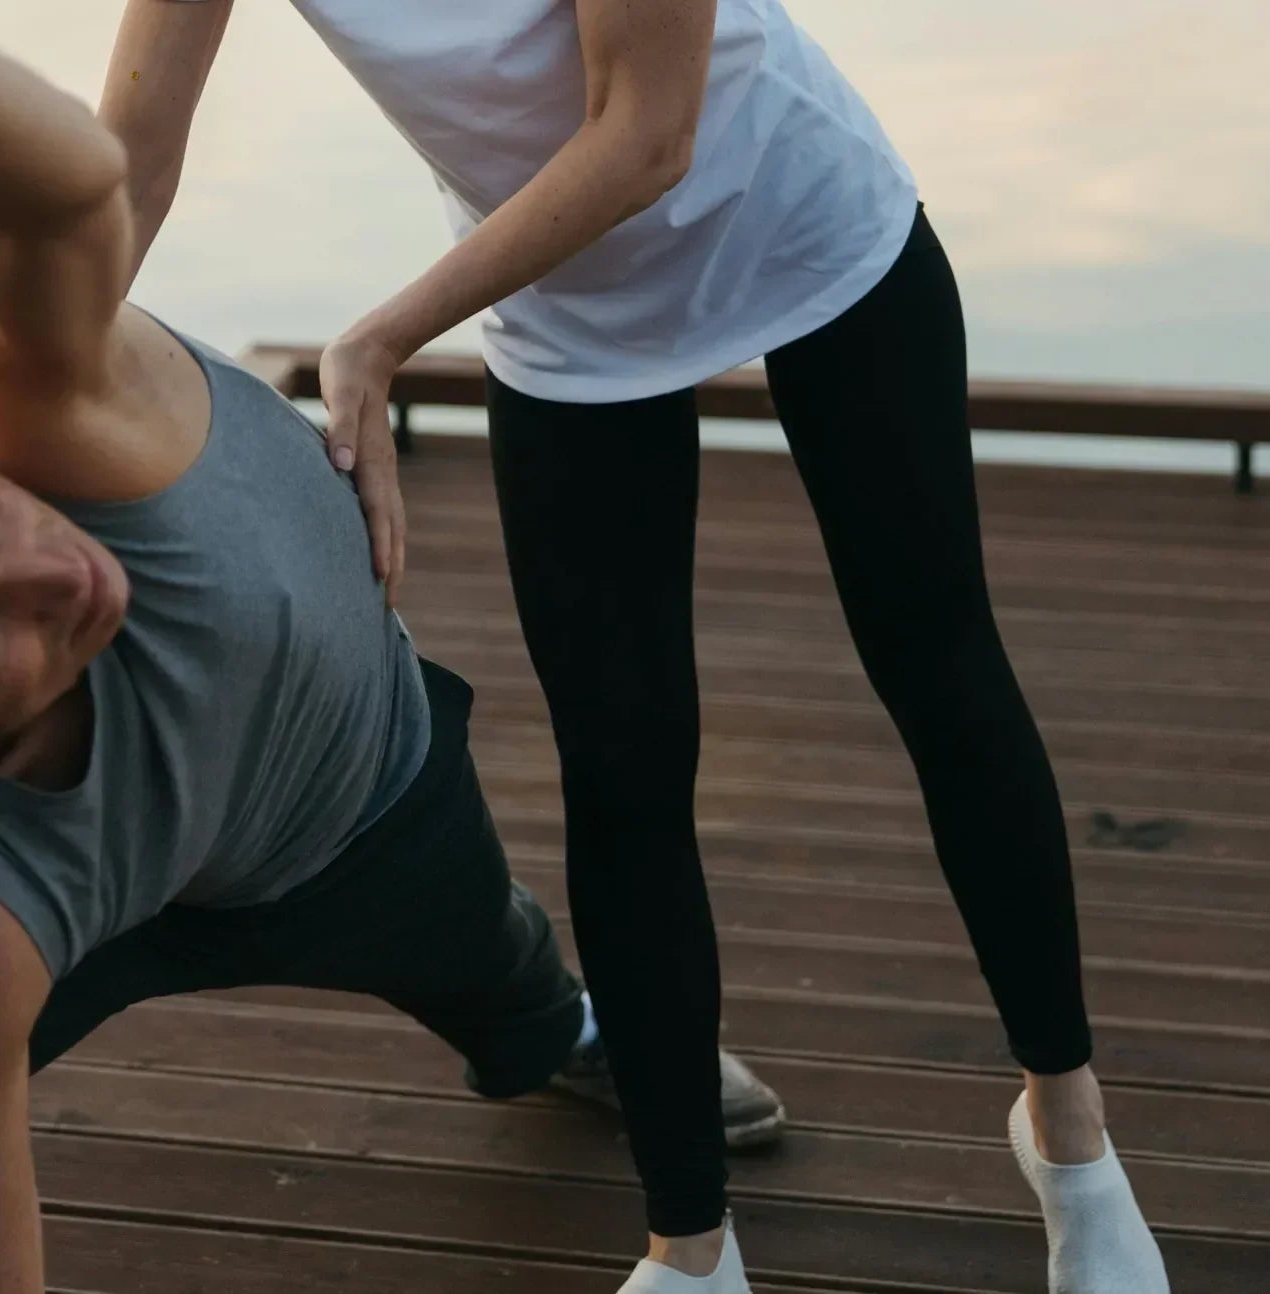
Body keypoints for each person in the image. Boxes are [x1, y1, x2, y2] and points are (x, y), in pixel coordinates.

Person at [0, 31, 786, 1294]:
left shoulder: (19, 382)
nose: (70, 575)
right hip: (88, 897)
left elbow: (68, 188)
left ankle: (558, 1030)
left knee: (491, 957)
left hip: (356, 813)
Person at [104, 2, 1171, 1291]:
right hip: (565, 307)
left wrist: (378, 337)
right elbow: (125, 175)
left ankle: (1069, 1139)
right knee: (621, 771)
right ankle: (690, 1247)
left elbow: (646, 135)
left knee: (938, 669)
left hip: (798, 224)